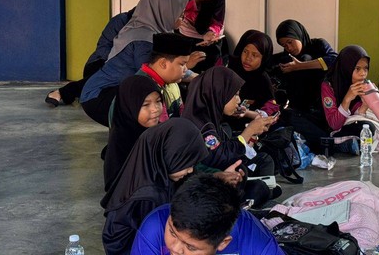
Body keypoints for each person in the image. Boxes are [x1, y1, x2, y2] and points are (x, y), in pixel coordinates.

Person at [79, 0, 188, 126]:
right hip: (99, 96)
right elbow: (154, 75)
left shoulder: (152, 31)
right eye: (180, 15)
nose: (183, 20)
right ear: (165, 12)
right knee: (148, 99)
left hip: (111, 89)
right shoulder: (144, 39)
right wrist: (191, 73)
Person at [101, 119, 210, 255]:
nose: (190, 170)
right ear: (169, 155)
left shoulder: (153, 171)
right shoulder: (148, 196)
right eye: (187, 164)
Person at [104, 32, 197, 190]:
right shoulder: (135, 91)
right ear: (163, 63)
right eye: (182, 64)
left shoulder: (170, 85)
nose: (185, 70)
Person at [181, 67, 278, 205]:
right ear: (219, 93)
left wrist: (251, 134)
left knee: (260, 179)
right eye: (235, 94)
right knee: (259, 189)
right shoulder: (202, 125)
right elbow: (219, 157)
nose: (239, 100)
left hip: (214, 180)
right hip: (204, 191)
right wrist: (249, 131)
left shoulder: (208, 117)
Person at [131, 174, 284, 255]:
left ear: (223, 243)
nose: (175, 249)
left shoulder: (255, 240)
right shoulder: (155, 225)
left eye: (190, 247)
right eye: (172, 232)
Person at [45, 8, 135, 107]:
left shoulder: (144, 27)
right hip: (101, 62)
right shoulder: (121, 20)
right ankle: (62, 92)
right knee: (100, 79)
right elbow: (104, 47)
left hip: (123, 67)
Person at [271, 19, 337, 152]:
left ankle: (328, 142)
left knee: (306, 57)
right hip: (300, 111)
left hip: (323, 107)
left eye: (290, 42)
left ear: (298, 35)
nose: (288, 48)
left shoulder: (318, 45)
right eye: (284, 45)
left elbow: (335, 60)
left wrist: (300, 66)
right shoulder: (287, 59)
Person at [321, 45, 379, 153]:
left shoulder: (358, 83)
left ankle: (350, 144)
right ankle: (337, 144)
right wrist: (347, 99)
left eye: (365, 68)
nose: (363, 73)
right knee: (368, 129)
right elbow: (334, 125)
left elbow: (355, 115)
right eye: (357, 69)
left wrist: (365, 104)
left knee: (369, 127)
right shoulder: (328, 85)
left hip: (347, 123)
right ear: (346, 68)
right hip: (328, 126)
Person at [103, 76, 163, 192]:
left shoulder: (160, 131)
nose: (155, 109)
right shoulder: (120, 142)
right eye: (145, 104)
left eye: (158, 101)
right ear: (129, 106)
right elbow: (116, 188)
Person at [227, 30, 279, 124]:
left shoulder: (263, 79)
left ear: (264, 58)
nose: (248, 58)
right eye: (245, 52)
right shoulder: (227, 68)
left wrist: (247, 113)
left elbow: (271, 112)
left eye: (255, 55)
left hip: (246, 126)